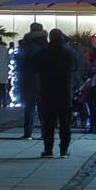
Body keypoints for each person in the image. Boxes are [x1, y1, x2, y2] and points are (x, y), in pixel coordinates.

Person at [33, 29, 76, 157]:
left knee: (48, 122)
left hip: (48, 91)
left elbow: (34, 67)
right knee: (65, 122)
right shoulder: (69, 52)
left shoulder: (43, 52)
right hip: (65, 91)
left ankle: (48, 149)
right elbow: (77, 67)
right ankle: (64, 150)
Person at [17, 23, 48, 139]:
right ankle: (45, 133)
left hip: (29, 79)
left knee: (29, 107)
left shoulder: (26, 45)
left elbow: (21, 62)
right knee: (43, 109)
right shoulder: (47, 45)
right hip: (44, 80)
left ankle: (28, 133)